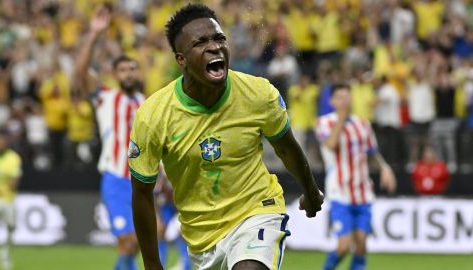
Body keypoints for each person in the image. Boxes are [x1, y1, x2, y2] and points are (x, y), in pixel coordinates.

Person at [129, 4, 324, 270]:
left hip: (257, 211)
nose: (214, 47)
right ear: (181, 60)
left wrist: (310, 191)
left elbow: (287, 149)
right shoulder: (153, 116)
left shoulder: (257, 93)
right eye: (201, 42)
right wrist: (152, 265)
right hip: (202, 239)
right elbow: (141, 193)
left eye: (219, 38)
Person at [73, 5, 145, 270]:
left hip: (141, 181)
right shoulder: (106, 97)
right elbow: (80, 75)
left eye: (132, 69)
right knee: (127, 240)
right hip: (116, 179)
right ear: (115, 75)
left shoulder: (145, 102)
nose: (128, 73)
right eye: (123, 70)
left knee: (137, 241)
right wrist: (93, 35)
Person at [316, 84, 396, 270]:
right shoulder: (324, 122)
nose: (345, 100)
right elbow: (330, 145)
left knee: (361, 246)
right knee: (344, 246)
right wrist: (341, 119)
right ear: (332, 101)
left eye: (347, 96)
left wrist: (385, 168)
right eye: (340, 97)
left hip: (363, 192)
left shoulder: (363, 124)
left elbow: (372, 152)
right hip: (340, 191)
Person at [0, 128, 22, 270]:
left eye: (2, 140)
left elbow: (14, 182)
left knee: (10, 228)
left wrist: (2, 189)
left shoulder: (13, 158)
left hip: (8, 199)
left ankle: (5, 255)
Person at [154, 165, 192, 270]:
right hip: (165, 211)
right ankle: (160, 265)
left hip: (179, 212)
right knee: (159, 232)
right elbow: (155, 201)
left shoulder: (177, 180)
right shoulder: (157, 183)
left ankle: (185, 265)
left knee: (182, 233)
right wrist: (158, 219)